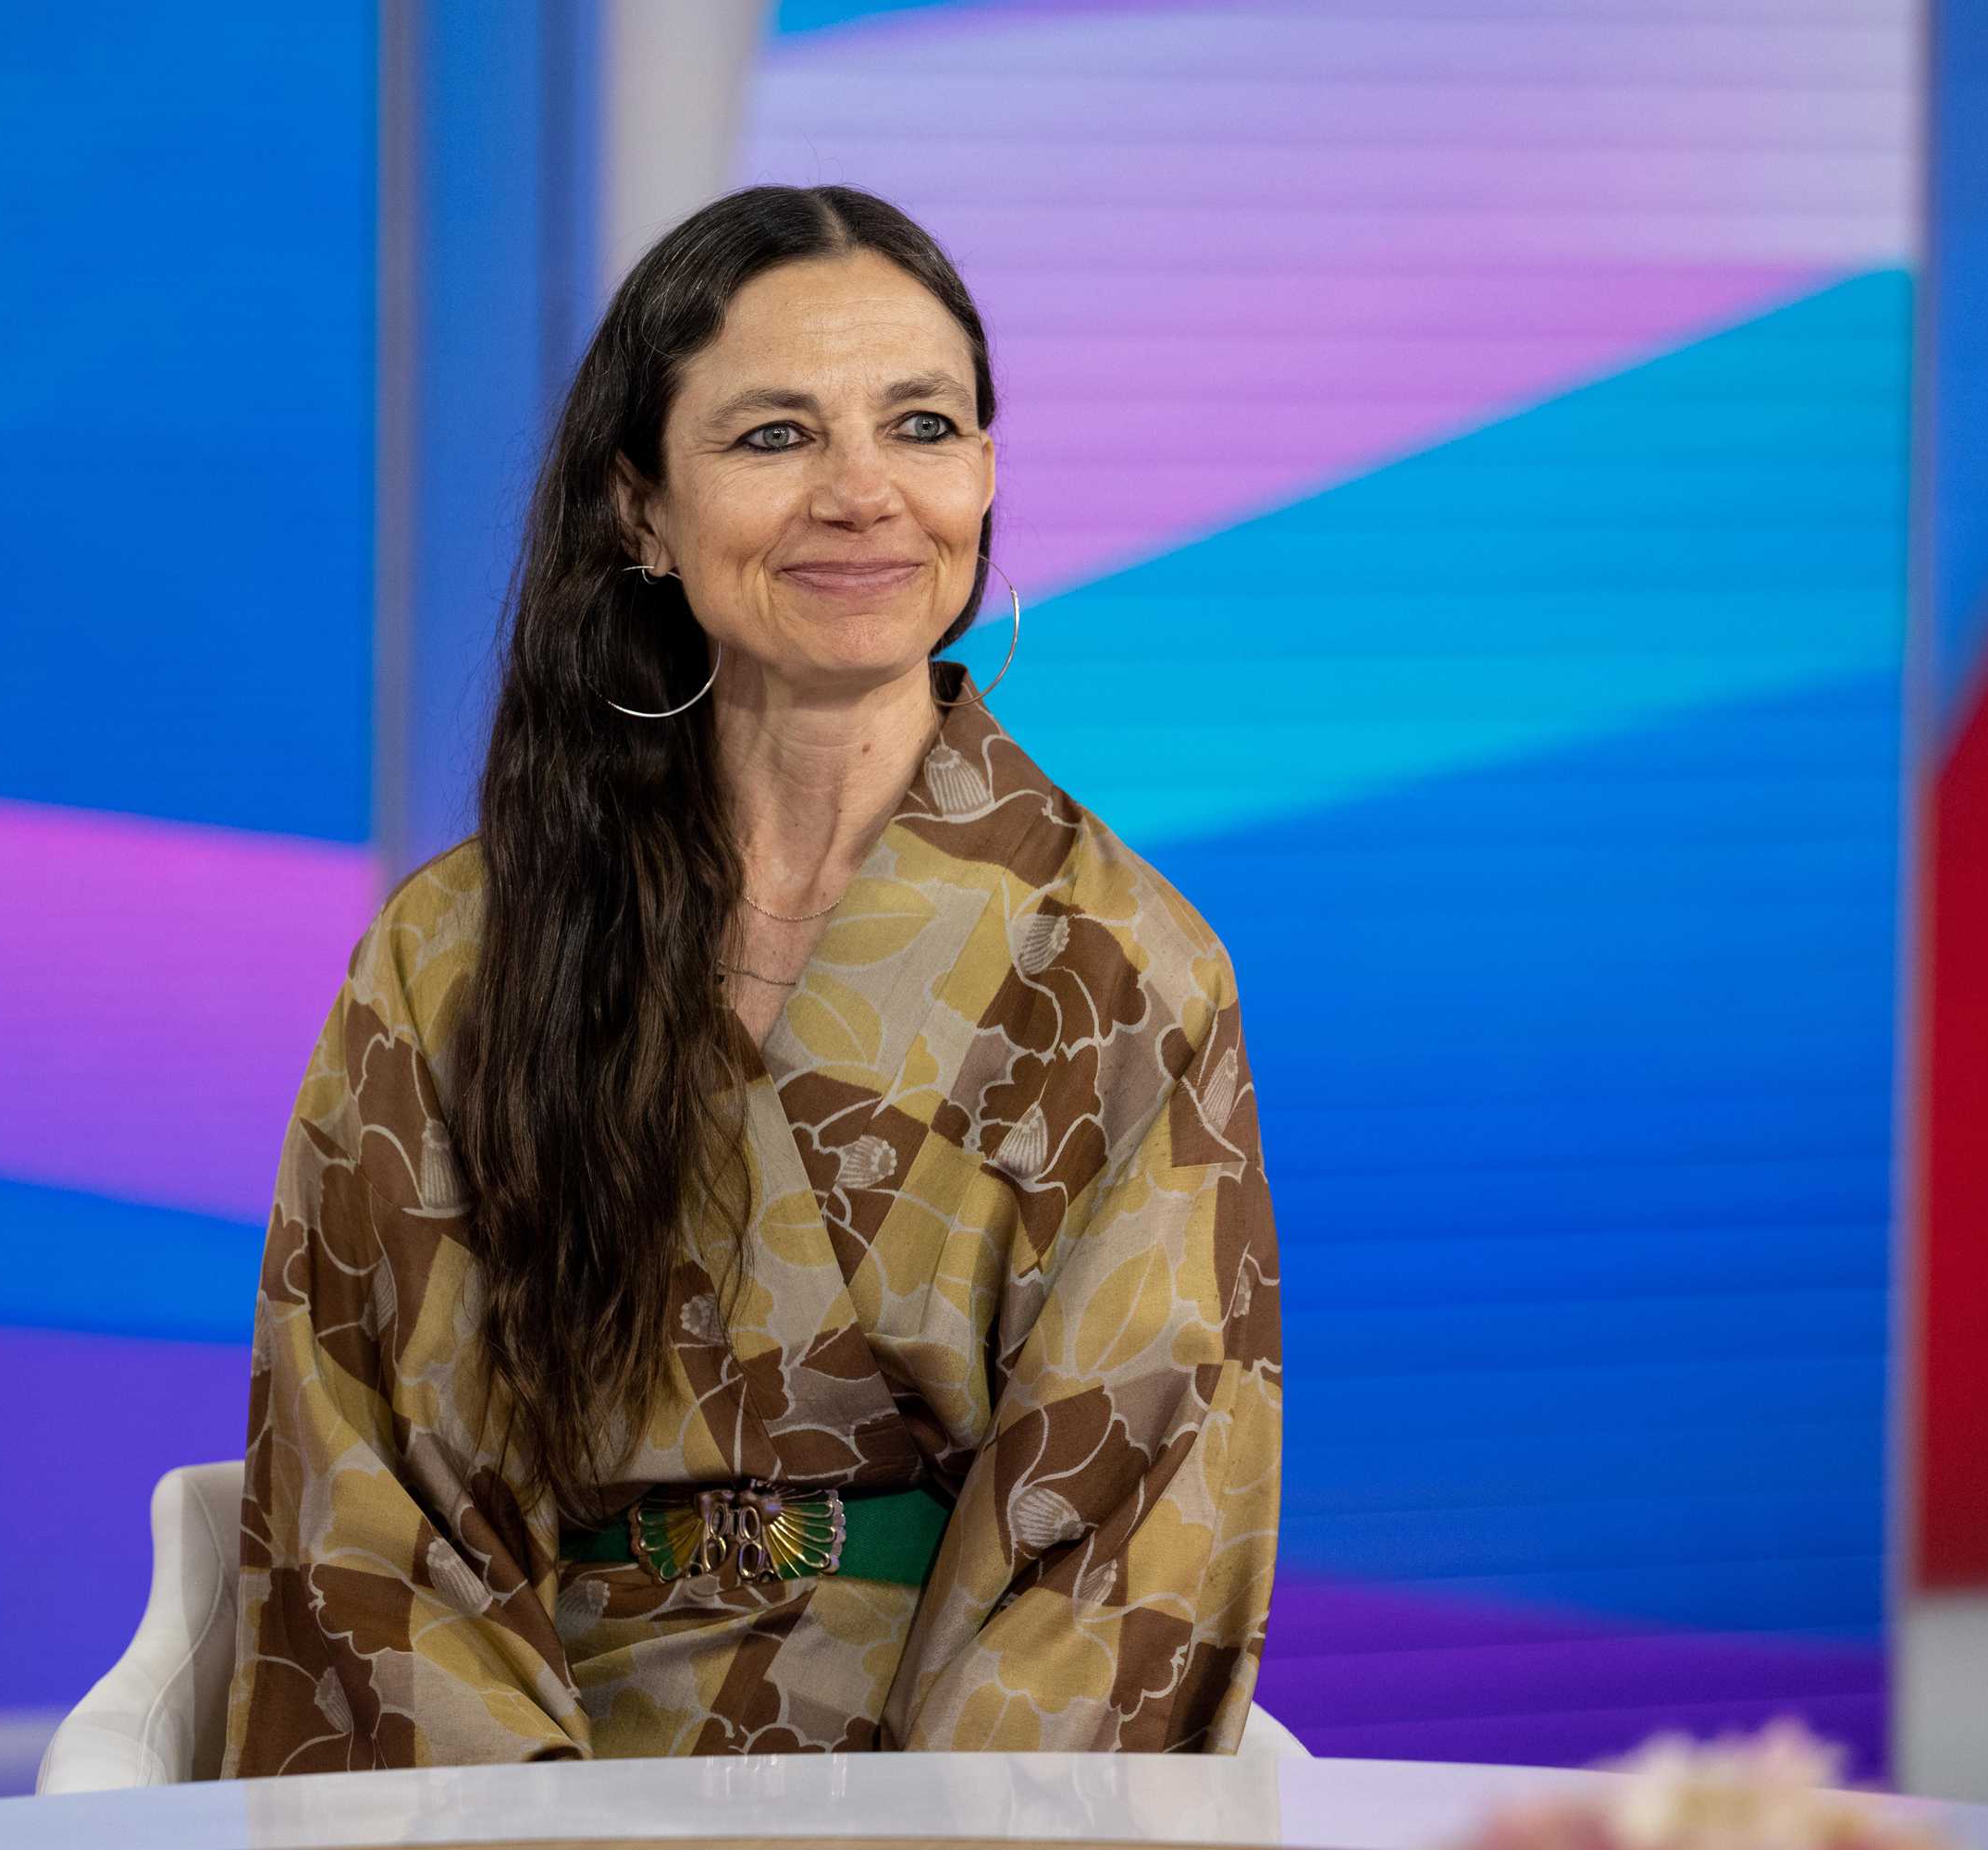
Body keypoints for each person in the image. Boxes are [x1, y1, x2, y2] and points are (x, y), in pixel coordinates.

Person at [224, 185, 1280, 1768]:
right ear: (639, 511)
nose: (863, 495)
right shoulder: (452, 957)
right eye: (774, 438)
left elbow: (1127, 1553)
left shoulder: (1127, 970)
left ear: (985, 482)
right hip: (528, 1789)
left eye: (922, 427)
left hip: (959, 1800)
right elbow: (371, 1510)